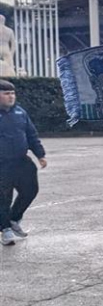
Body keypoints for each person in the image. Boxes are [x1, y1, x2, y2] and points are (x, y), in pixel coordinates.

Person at [0, 78, 47, 246]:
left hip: (21, 160)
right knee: (3, 197)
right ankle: (5, 229)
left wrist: (40, 155)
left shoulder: (20, 113)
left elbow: (31, 134)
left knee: (30, 190)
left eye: (13, 93)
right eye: (6, 93)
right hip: (2, 163)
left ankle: (14, 219)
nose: (11, 96)